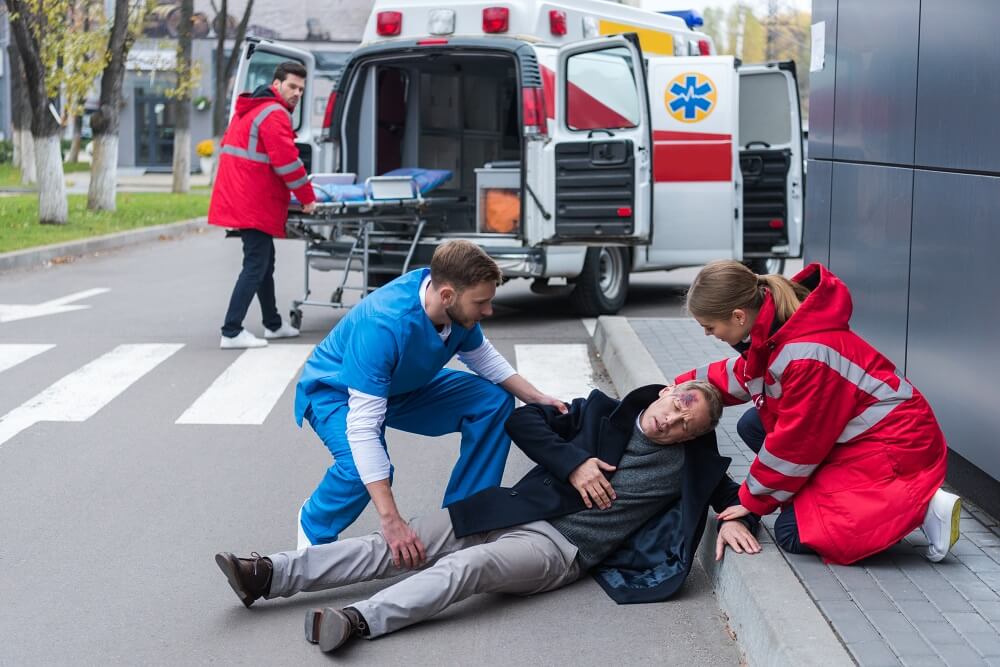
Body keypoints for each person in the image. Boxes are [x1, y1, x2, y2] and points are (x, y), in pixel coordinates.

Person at [215, 381, 760, 653]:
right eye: (678, 407)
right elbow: (524, 423)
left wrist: (736, 517)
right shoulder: (598, 412)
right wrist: (573, 465)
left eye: (687, 426)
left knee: (467, 568)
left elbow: (742, 497)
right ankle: (270, 574)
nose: (673, 423)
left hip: (560, 549)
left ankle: (358, 620)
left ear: (694, 437)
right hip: (511, 507)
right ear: (666, 391)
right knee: (398, 543)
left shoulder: (692, 462)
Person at [676, 260, 960, 565]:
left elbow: (795, 446)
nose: (707, 334)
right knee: (752, 425)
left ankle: (922, 505)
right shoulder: (779, 326)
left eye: (710, 327)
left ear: (738, 316)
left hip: (897, 449)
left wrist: (752, 500)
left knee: (791, 532)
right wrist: (678, 388)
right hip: (871, 436)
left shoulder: (805, 354)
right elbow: (746, 373)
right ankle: (827, 497)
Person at [294, 240, 565, 558]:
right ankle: (314, 523)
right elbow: (364, 428)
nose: (489, 311)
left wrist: (537, 398)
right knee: (359, 470)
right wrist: (391, 520)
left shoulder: (455, 306)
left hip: (400, 385)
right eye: (481, 303)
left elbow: (482, 356)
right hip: (338, 391)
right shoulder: (383, 325)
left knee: (493, 401)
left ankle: (466, 520)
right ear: (447, 296)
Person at [209, 61, 317, 350]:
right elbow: (287, 162)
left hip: (244, 196)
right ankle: (231, 330)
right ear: (276, 84)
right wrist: (307, 197)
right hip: (253, 200)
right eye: (292, 86)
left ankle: (273, 324)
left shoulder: (254, 108)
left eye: (301, 89)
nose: (297, 93)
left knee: (264, 262)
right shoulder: (274, 113)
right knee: (257, 264)